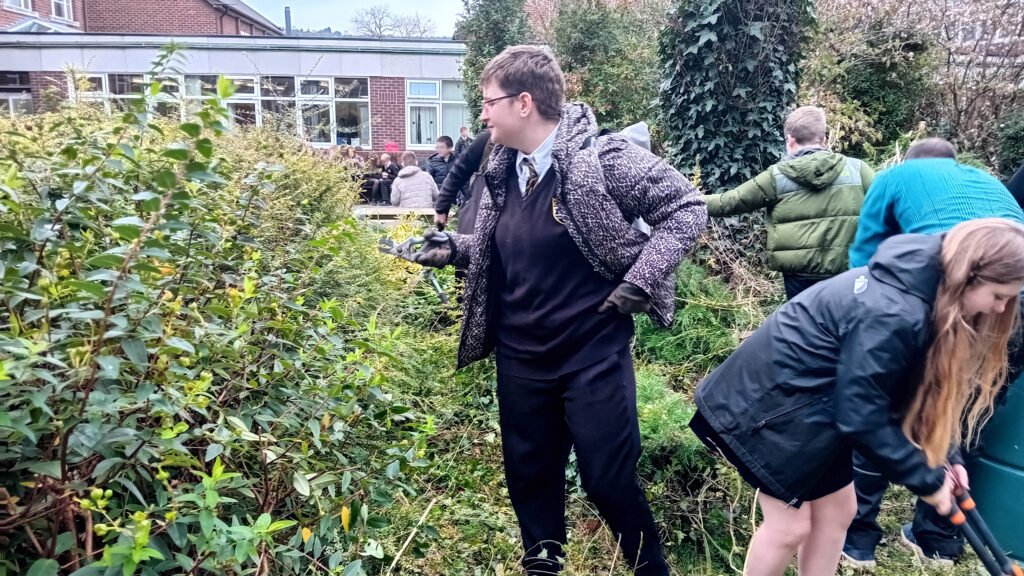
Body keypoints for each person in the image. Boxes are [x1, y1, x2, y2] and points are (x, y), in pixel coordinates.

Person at [413, 45, 707, 576]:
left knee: (606, 477)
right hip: (522, 354)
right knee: (530, 473)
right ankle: (542, 564)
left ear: (524, 103)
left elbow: (687, 209)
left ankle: (650, 569)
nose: (482, 114)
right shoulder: (501, 169)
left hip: (591, 351)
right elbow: (503, 245)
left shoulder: (603, 160)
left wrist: (641, 280)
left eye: (488, 102)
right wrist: (452, 250)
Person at [691, 217, 1024, 576]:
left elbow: (907, 391)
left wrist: (945, 455)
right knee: (790, 527)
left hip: (814, 404)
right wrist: (925, 479)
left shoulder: (926, 290)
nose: (1001, 309)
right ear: (968, 275)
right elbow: (862, 414)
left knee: (839, 512)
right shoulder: (896, 311)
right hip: (765, 406)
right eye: (998, 296)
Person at [841, 138, 1024, 569]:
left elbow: (866, 257)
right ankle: (938, 540)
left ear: (910, 161)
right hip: (1016, 299)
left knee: (888, 396)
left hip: (970, 294)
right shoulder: (985, 180)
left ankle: (859, 538)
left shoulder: (895, 177)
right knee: (971, 410)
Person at [703, 106, 874, 299]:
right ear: (824, 138)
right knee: (846, 326)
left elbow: (730, 202)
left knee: (805, 327)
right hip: (848, 272)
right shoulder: (859, 170)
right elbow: (888, 209)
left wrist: (687, 200)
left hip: (799, 277)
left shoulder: (776, 177)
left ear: (790, 139)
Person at [435, 129, 493, 234]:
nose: (484, 117)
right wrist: (441, 207)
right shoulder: (487, 140)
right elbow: (459, 172)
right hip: (479, 218)